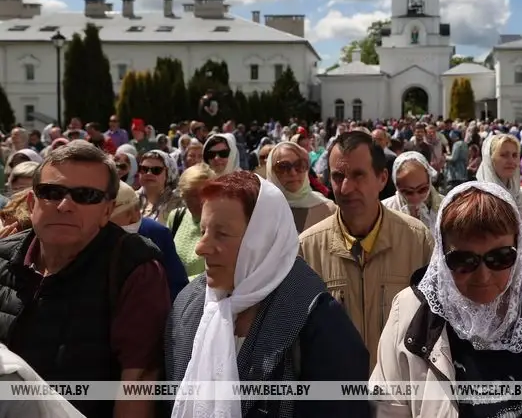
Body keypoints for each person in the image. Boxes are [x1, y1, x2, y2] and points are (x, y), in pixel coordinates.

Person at [371, 182, 522, 417]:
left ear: (519, 249)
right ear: (441, 256)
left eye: (500, 257)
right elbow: (388, 407)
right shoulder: (410, 312)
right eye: (463, 261)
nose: (483, 276)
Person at [166, 172, 370, 418]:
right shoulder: (188, 307)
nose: (201, 248)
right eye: (203, 231)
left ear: (263, 240)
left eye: (221, 234)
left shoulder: (320, 323)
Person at [0, 141, 169, 418]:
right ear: (31, 203)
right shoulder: (3, 256)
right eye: (51, 192)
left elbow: (138, 382)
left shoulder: (134, 268)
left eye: (86, 195)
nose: (65, 205)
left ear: (107, 211)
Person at [299, 131, 433, 368]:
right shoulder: (307, 248)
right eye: (338, 176)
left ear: (382, 179)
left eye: (358, 175)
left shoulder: (417, 241)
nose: (346, 187)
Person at [265, 142, 335, 232]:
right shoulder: (260, 210)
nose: (293, 173)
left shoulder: (328, 209)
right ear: (271, 172)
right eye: (283, 167)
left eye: (299, 165)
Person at [382, 152, 442, 228]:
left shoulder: (445, 207)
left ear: (429, 182)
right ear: (397, 187)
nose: (415, 197)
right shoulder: (384, 211)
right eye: (408, 192)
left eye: (422, 189)